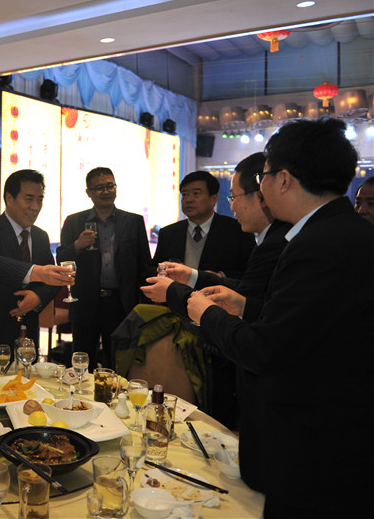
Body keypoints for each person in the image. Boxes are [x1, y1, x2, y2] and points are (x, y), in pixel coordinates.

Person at [186, 118, 374, 516]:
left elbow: (264, 350)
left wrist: (207, 314)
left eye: (264, 176)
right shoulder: (347, 231)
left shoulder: (318, 245)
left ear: (284, 180)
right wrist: (246, 307)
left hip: (316, 447)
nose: (263, 186)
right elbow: (309, 325)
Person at [141, 153, 292, 429]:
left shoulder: (269, 240)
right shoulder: (171, 232)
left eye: (234, 197)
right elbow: (251, 297)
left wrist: (178, 291)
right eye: (184, 194)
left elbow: (253, 294)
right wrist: (192, 276)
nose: (232, 207)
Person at [0, 169, 74, 360]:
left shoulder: (41, 236)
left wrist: (37, 297)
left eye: (40, 199)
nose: (35, 207)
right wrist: (36, 272)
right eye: (29, 199)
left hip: (27, 335)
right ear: (9, 198)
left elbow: (51, 281)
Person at [56, 167, 151, 367]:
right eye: (99, 188)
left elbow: (144, 266)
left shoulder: (133, 222)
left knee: (118, 362)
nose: (106, 191)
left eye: (110, 186)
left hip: (120, 303)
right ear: (88, 192)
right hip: (85, 302)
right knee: (82, 361)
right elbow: (62, 259)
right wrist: (77, 245)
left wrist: (144, 305)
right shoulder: (74, 221)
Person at [153, 171, 255, 279]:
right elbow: (153, 268)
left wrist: (220, 276)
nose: (188, 200)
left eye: (196, 194)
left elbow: (251, 272)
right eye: (184, 194)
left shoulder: (238, 231)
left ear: (214, 198)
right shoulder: (168, 233)